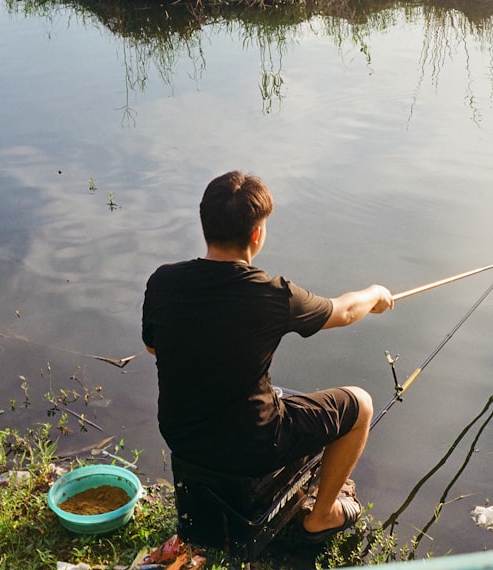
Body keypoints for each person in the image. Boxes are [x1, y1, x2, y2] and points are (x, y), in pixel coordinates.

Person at [141, 170, 394, 542]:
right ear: (256, 235)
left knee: (275, 394)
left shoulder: (163, 281)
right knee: (360, 406)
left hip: (181, 436)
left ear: (205, 225)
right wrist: (376, 293)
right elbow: (343, 311)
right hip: (252, 445)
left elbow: (153, 346)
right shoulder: (272, 295)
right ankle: (322, 516)